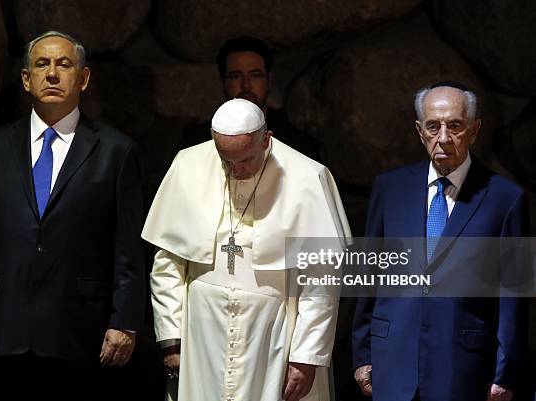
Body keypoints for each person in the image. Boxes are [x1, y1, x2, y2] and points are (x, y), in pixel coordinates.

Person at [0, 31, 144, 398]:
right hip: (2, 325)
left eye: (64, 64)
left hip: (80, 331)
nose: (52, 73)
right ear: (26, 79)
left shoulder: (116, 152)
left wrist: (126, 322)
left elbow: (128, 248)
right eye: (41, 64)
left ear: (83, 79)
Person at [143, 98, 352, 401]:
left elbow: (322, 279)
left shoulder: (308, 176)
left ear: (266, 139)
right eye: (226, 161)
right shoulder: (188, 165)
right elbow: (168, 263)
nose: (236, 170)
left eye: (245, 160)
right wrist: (171, 339)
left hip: (274, 337)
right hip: (202, 336)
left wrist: (306, 355)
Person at [352, 82, 529, 401]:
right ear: (420, 131)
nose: (444, 137)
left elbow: (513, 297)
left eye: (455, 126)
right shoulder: (389, 189)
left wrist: (505, 373)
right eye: (433, 126)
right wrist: (362, 354)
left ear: (474, 130)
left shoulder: (506, 199)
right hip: (392, 363)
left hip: (465, 370)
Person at [178, 36, 322, 161]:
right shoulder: (197, 142)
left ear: (269, 80)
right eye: (236, 76)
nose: (246, 85)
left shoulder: (297, 144)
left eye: (255, 75)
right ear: (223, 82)